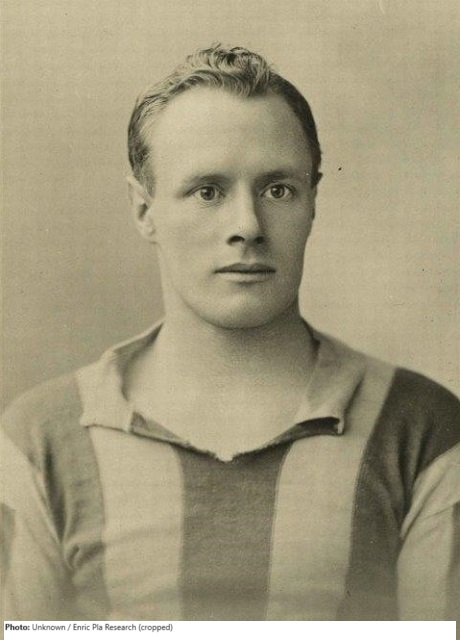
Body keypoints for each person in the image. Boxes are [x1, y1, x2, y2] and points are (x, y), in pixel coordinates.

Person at [1, 44, 459, 622]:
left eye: (277, 190)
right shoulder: (41, 440)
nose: (247, 226)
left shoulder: (421, 429)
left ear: (313, 202)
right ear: (144, 211)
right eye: (208, 192)